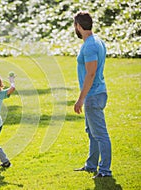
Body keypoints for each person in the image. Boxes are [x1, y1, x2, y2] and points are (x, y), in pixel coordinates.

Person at [72, 11, 112, 178]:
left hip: (93, 95)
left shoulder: (90, 45)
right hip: (95, 93)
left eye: (75, 25)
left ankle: (105, 171)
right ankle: (91, 165)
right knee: (92, 132)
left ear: (78, 26)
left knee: (100, 134)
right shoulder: (96, 41)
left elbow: (91, 73)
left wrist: (81, 99)